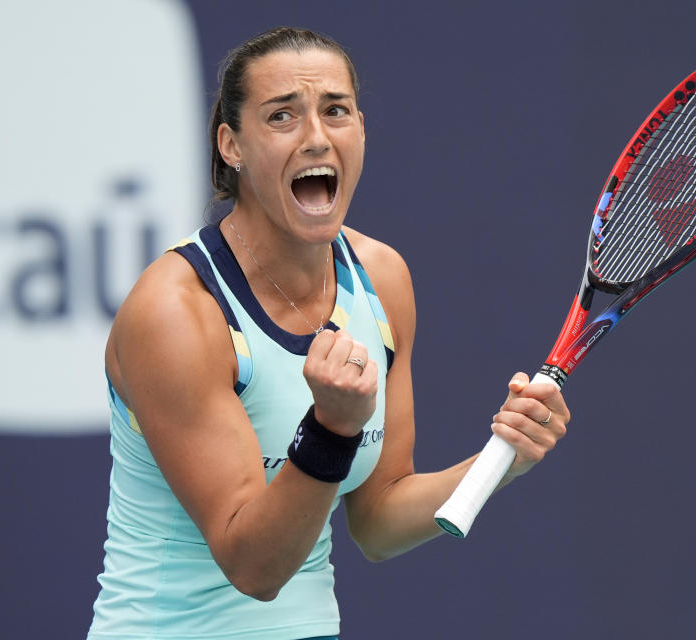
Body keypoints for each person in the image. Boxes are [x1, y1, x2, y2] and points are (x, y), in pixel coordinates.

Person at [87, 27, 569, 640]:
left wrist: (503, 460)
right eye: (282, 116)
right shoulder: (176, 311)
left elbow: (378, 519)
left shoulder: (382, 279)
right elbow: (254, 567)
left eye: (335, 111)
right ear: (231, 145)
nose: (317, 137)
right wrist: (331, 429)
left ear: (361, 130)